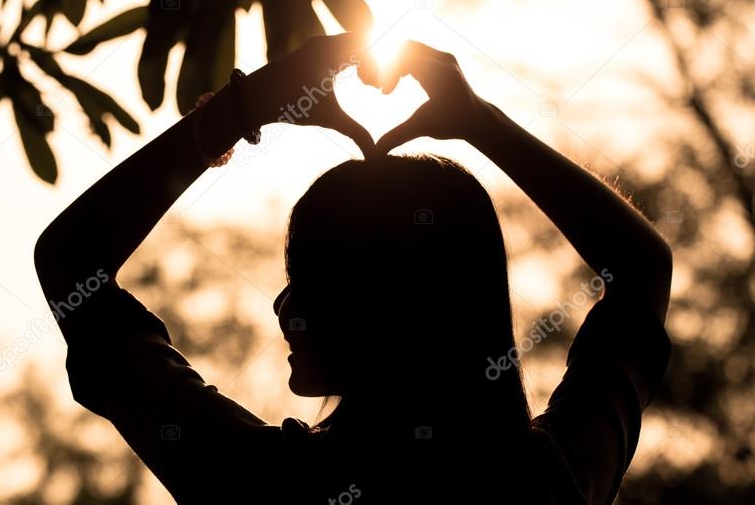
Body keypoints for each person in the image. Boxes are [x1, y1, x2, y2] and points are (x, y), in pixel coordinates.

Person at [33, 33, 673, 504]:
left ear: (380, 306)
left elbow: (71, 267)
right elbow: (641, 270)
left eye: (306, 278)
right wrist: (483, 125)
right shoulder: (550, 480)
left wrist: (241, 109)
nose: (282, 307)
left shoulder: (269, 486)